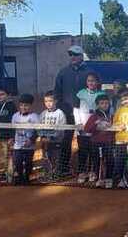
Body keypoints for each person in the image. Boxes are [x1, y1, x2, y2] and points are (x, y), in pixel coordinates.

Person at [54, 45, 93, 174]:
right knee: (65, 141)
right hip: (66, 114)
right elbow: (57, 93)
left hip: (84, 114)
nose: (73, 57)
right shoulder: (63, 72)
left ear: (81, 56)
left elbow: (96, 90)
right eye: (70, 55)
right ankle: (63, 168)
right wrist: (59, 109)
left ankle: (85, 170)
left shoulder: (90, 73)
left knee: (85, 142)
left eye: (75, 54)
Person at [75, 73, 102, 183]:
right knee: (83, 151)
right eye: (89, 81)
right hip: (82, 128)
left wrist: (98, 123)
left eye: (93, 80)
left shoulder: (101, 94)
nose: (91, 83)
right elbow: (76, 109)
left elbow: (103, 110)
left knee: (94, 152)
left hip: (95, 129)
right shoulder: (80, 94)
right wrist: (79, 123)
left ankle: (93, 172)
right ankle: (82, 173)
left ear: (97, 82)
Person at [84, 93, 115, 188]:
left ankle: (109, 178)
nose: (105, 105)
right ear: (98, 105)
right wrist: (96, 123)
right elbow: (86, 129)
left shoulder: (111, 116)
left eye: (106, 103)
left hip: (108, 143)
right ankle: (99, 179)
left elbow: (114, 127)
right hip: (96, 143)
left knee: (110, 160)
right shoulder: (94, 116)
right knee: (96, 161)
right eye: (102, 103)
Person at [11, 94, 40, 185]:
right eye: (21, 105)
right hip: (17, 145)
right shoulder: (15, 116)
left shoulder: (35, 116)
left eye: (26, 105)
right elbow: (12, 129)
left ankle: (27, 177)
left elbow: (38, 131)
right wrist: (11, 138)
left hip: (29, 146)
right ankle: (20, 177)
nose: (23, 107)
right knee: (17, 161)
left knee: (28, 163)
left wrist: (31, 140)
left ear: (31, 106)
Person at [39, 91, 67, 182]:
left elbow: (61, 129)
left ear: (55, 101)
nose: (48, 103)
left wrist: (51, 138)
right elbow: (39, 127)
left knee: (56, 159)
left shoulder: (60, 113)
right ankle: (47, 175)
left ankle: (55, 175)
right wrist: (42, 137)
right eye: (46, 101)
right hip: (45, 142)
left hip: (56, 142)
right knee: (46, 159)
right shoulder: (43, 114)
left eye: (50, 101)